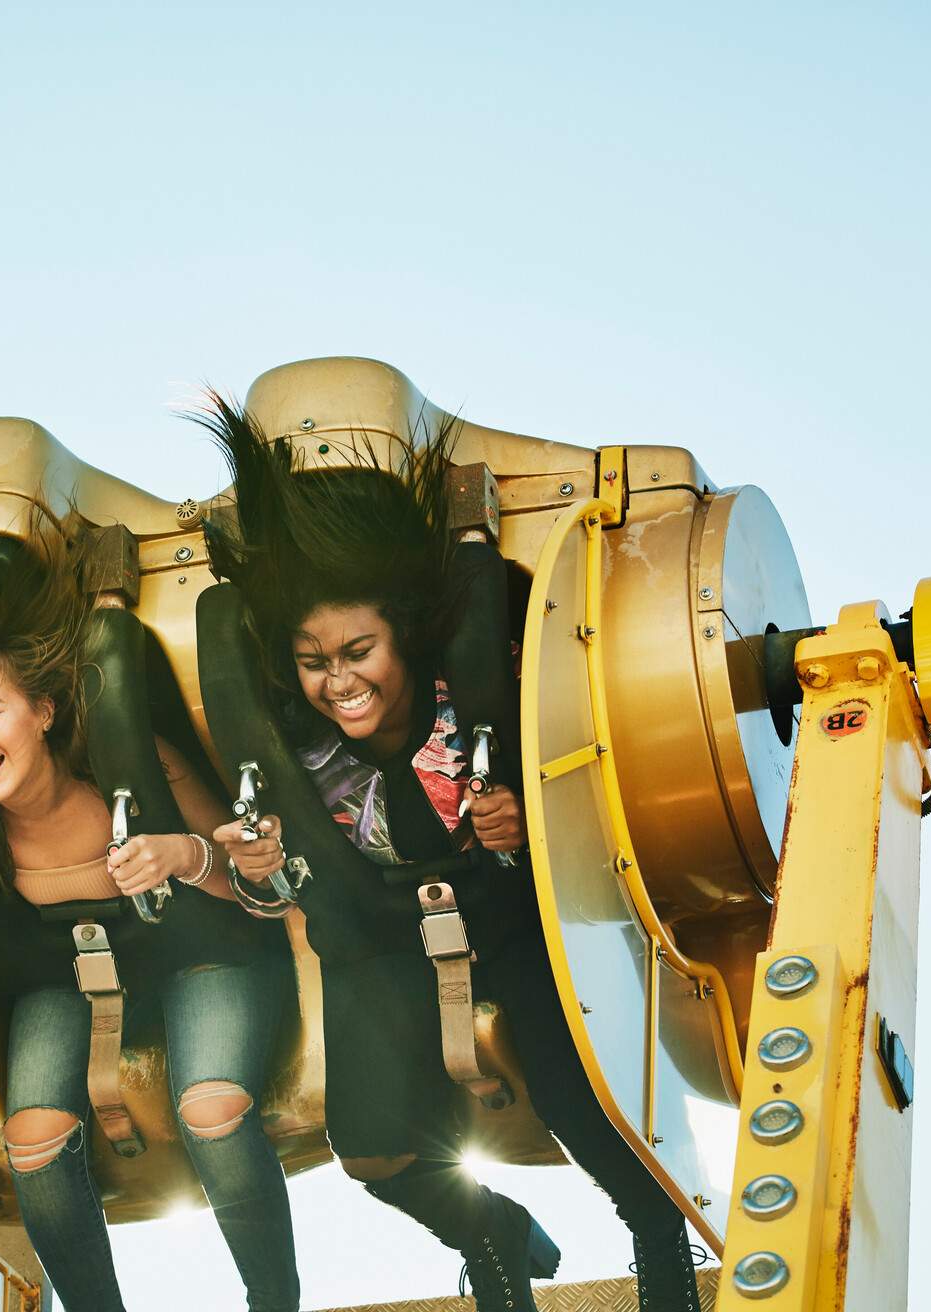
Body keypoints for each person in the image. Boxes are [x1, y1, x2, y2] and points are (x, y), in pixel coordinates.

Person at [198, 397, 703, 1312]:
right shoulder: (297, 749)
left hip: (500, 910)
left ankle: (655, 1235)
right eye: (315, 662)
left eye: (358, 652)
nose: (338, 680)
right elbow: (272, 862)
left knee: (570, 1094)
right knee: (374, 1150)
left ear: (401, 643)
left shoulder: (463, 704)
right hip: (379, 931)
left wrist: (519, 825)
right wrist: (262, 861)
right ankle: (491, 1233)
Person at [0, 501, 300, 1312]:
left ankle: (273, 1302)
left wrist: (184, 853)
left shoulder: (133, 772)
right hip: (67, 981)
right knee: (30, 1141)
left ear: (43, 712)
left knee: (210, 1107)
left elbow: (259, 896)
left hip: (202, 956)